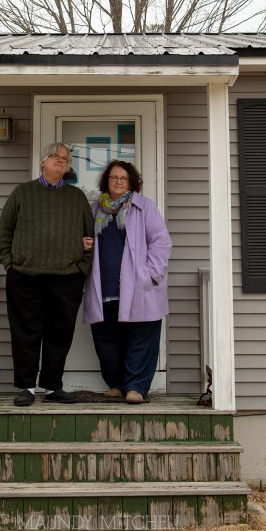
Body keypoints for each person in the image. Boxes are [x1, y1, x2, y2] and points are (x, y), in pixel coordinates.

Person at [0, 143, 94, 406]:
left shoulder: (77, 198)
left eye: (65, 159)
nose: (61, 162)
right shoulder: (22, 193)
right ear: (43, 162)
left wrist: (81, 268)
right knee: (25, 332)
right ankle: (26, 387)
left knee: (59, 333)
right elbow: (4, 231)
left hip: (66, 278)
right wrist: (8, 263)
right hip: (24, 277)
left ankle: (52, 387)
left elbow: (89, 237)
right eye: (55, 157)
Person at [83, 160, 171, 404]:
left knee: (140, 339)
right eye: (114, 177)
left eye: (124, 177)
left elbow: (161, 243)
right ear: (106, 181)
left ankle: (136, 388)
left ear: (132, 182)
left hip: (139, 286)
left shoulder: (145, 208)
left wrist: (150, 273)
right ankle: (117, 384)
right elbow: (83, 240)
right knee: (107, 341)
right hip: (105, 288)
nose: (119, 181)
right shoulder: (94, 210)